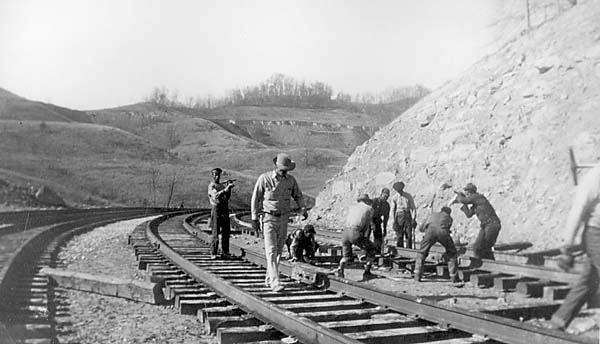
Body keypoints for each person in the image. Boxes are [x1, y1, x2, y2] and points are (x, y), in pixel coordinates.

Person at [548, 164, 600, 331]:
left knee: (589, 280)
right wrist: (567, 244)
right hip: (596, 234)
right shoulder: (595, 176)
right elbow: (577, 209)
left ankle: (559, 320)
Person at [251, 153, 307, 292]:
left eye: (286, 169)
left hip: (283, 219)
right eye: (283, 169)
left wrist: (303, 208)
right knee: (271, 250)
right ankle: (275, 282)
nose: (284, 171)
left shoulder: (291, 181)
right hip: (269, 218)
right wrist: (254, 217)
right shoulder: (264, 179)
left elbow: (298, 195)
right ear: (276, 166)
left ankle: (269, 278)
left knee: (278, 251)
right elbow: (255, 197)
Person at [453, 183, 501, 267]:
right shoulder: (476, 204)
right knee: (477, 246)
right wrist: (463, 203)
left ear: (471, 192)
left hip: (492, 224)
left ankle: (490, 266)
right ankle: (482, 265)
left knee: (486, 246)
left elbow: (465, 200)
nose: (466, 193)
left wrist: (459, 196)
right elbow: (468, 214)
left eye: (467, 191)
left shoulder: (478, 197)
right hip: (485, 225)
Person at [332, 194, 378, 279]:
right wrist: (364, 238)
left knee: (347, 256)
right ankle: (367, 272)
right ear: (367, 201)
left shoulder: (353, 207)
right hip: (355, 232)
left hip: (345, 232)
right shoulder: (369, 208)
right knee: (372, 250)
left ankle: (340, 269)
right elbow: (366, 225)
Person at [414, 207, 461, 283]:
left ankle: (417, 275)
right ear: (449, 213)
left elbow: (421, 228)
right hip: (443, 232)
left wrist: (426, 231)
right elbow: (447, 229)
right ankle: (454, 277)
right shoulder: (449, 218)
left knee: (422, 252)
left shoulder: (432, 215)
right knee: (452, 253)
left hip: (430, 232)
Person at [207, 168, 234, 259]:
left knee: (226, 231)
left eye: (218, 174)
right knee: (216, 232)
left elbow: (226, 197)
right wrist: (226, 189)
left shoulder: (222, 186)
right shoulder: (212, 186)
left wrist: (229, 189)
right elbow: (216, 195)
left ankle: (225, 252)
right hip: (216, 209)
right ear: (212, 176)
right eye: (215, 174)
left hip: (224, 209)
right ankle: (213, 252)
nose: (217, 176)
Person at [390, 181, 417, 249]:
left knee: (409, 234)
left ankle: (409, 250)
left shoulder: (408, 196)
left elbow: (413, 208)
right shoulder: (394, 197)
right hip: (399, 216)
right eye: (397, 190)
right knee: (399, 234)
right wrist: (393, 221)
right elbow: (393, 210)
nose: (399, 191)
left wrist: (413, 218)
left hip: (407, 215)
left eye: (400, 190)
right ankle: (400, 250)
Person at [371, 188, 391, 254]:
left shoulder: (387, 205)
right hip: (369, 220)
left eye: (387, 197)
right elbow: (369, 213)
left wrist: (384, 228)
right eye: (385, 196)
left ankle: (377, 253)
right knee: (366, 236)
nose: (386, 198)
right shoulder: (374, 201)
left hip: (377, 221)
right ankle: (364, 254)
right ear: (381, 194)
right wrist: (371, 223)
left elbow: (386, 217)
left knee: (378, 238)